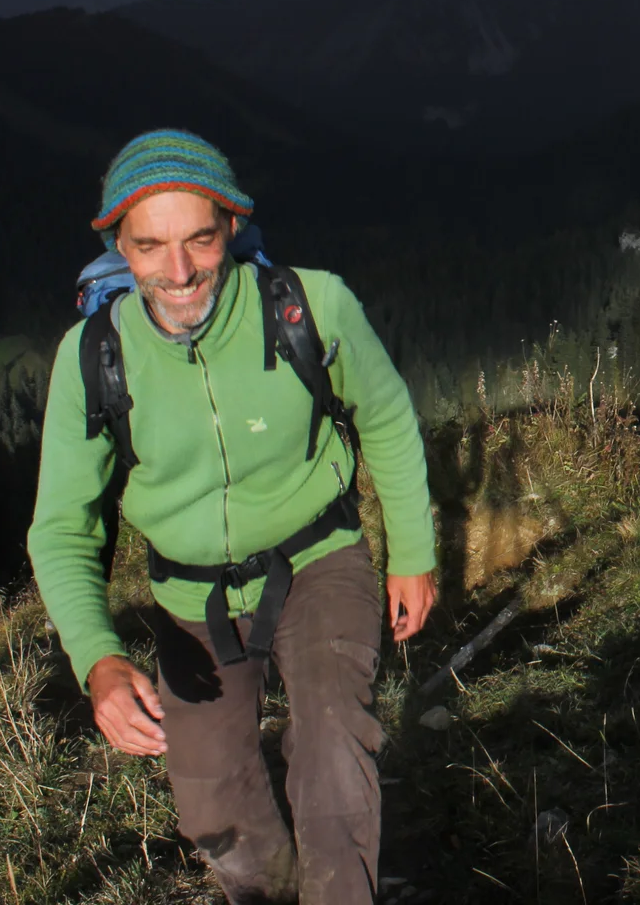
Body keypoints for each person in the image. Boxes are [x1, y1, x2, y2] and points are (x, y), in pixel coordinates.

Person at [28, 129, 437, 905]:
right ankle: (274, 893)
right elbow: (62, 525)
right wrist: (99, 661)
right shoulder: (92, 358)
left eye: (200, 239)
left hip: (321, 558)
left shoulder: (308, 305)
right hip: (190, 601)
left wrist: (411, 552)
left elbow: (384, 416)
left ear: (233, 226)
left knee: (330, 746)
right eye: (149, 247)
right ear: (118, 244)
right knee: (211, 797)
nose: (178, 272)